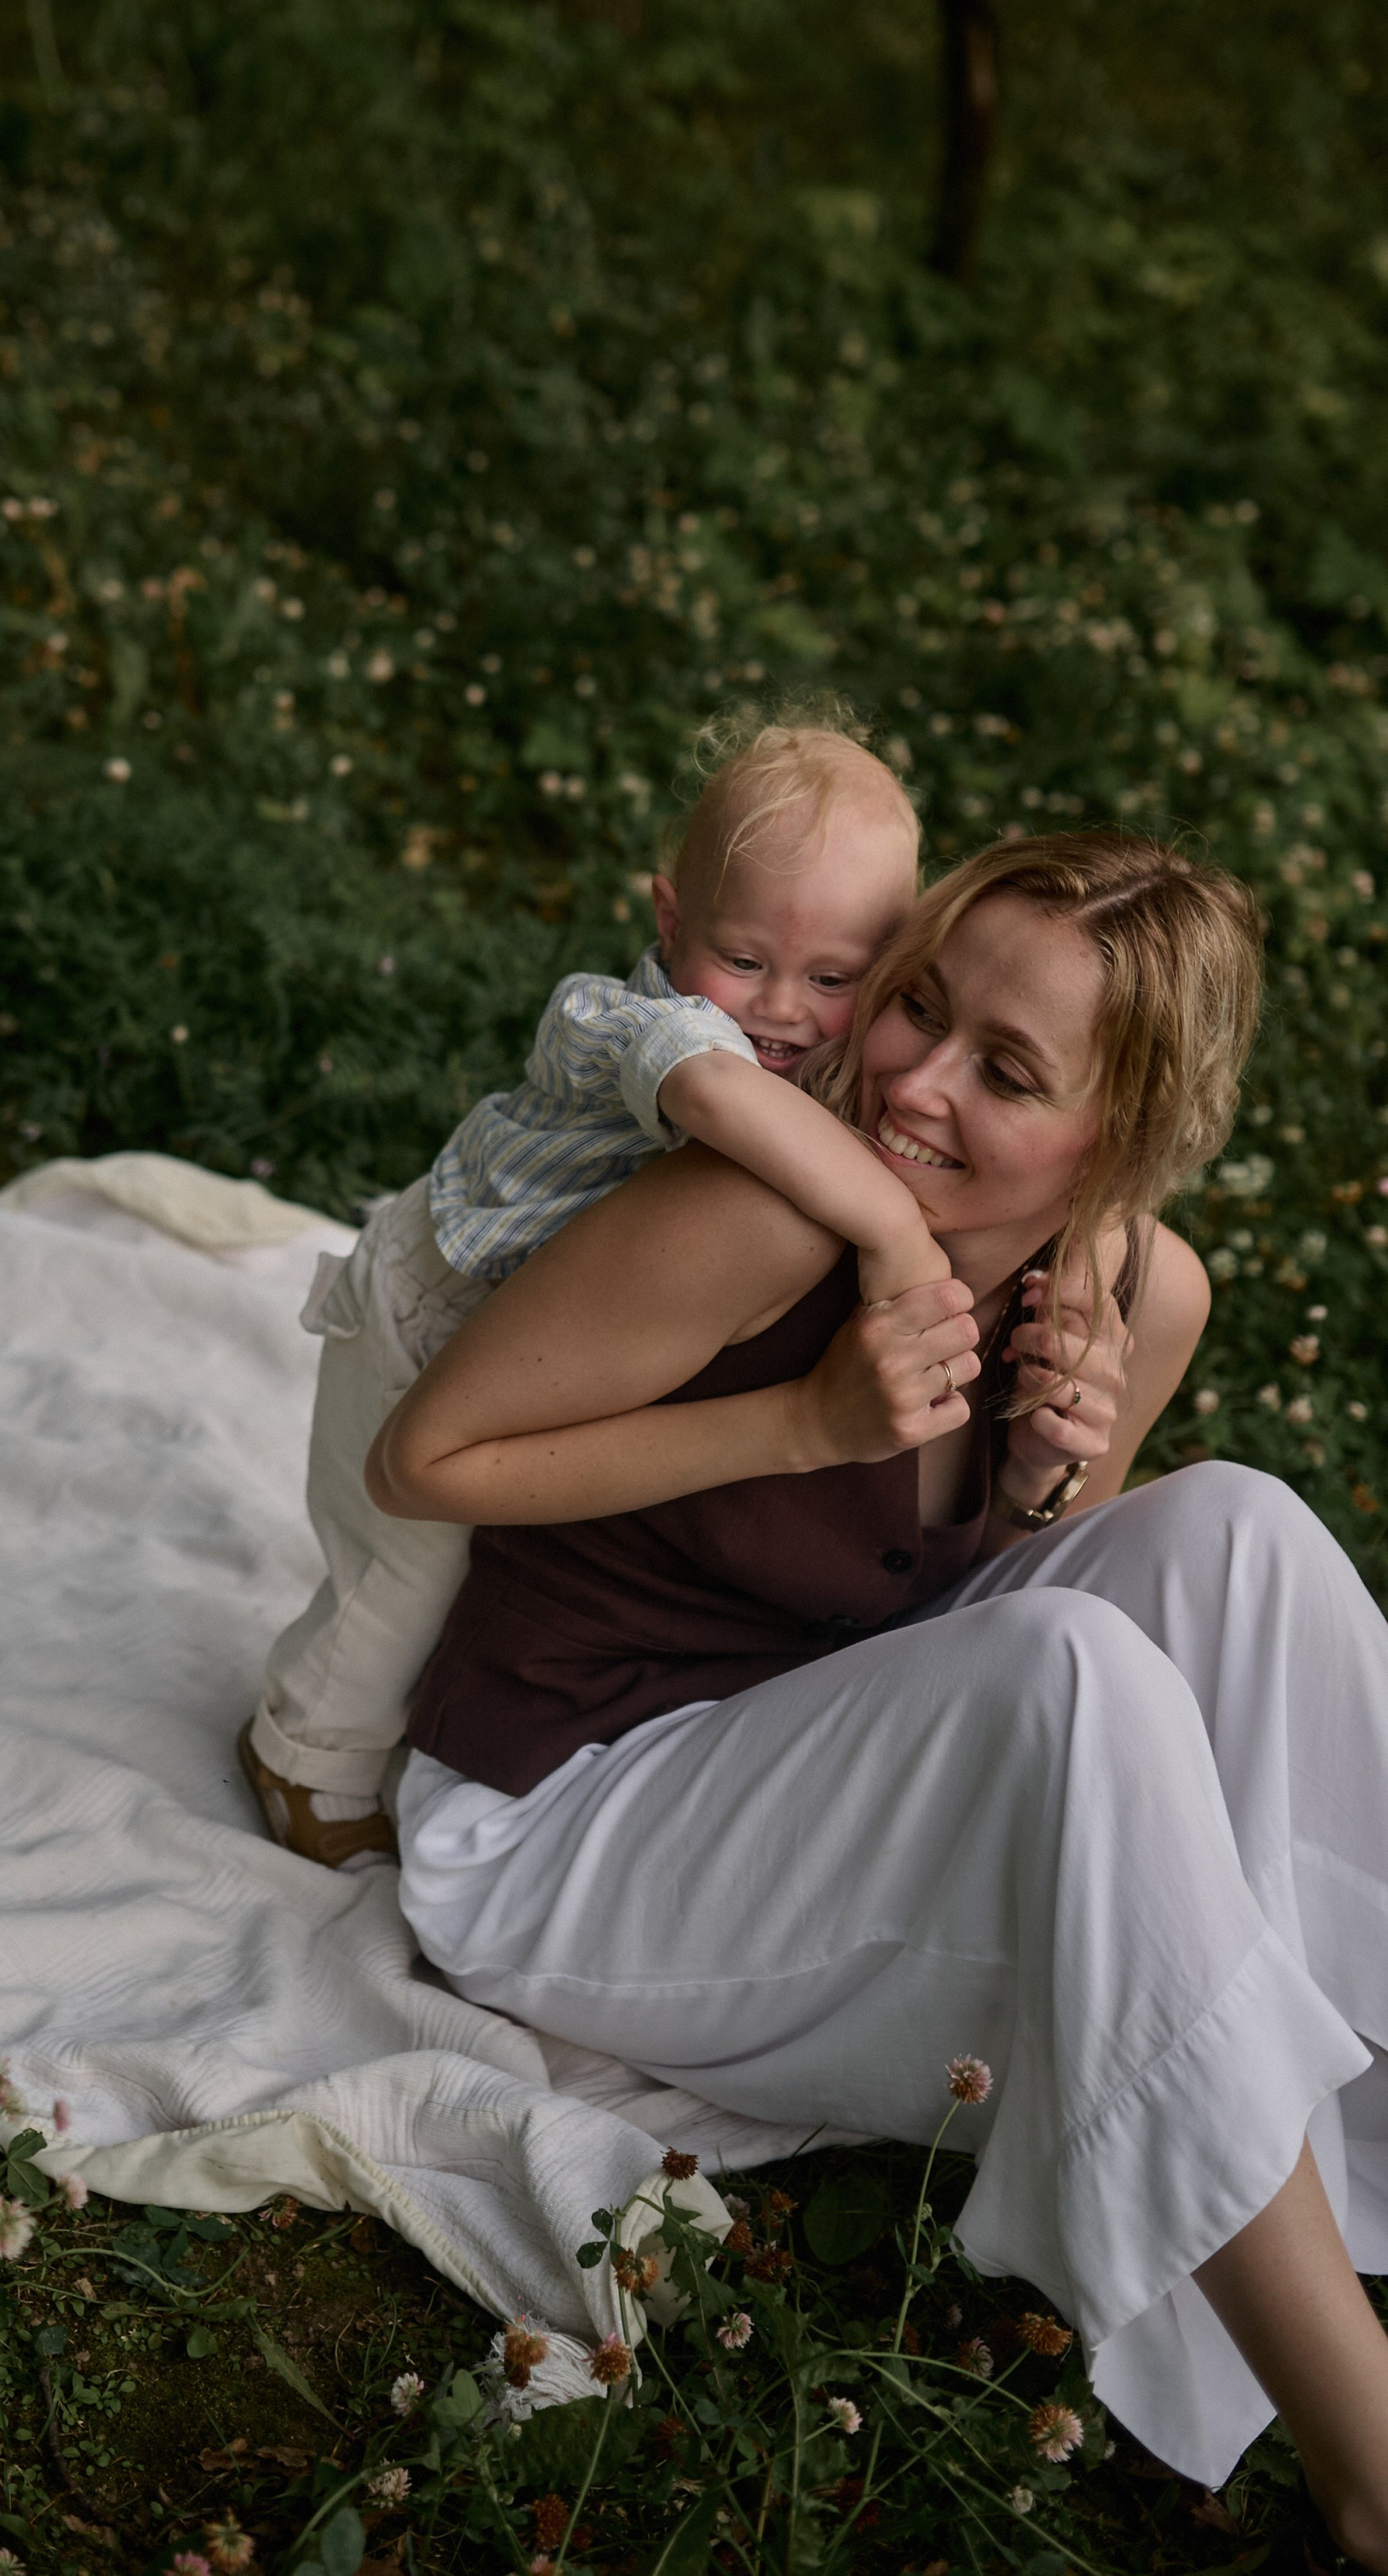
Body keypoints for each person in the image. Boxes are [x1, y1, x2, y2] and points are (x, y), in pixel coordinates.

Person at [366, 827, 1388, 2553]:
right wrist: (802, 1422)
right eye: (919, 1005)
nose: (913, 1079)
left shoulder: (1133, 1288)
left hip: (804, 1739)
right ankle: (1368, 2457)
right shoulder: (761, 1216)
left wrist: (1042, 1483)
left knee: (1241, 1530)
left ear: (1117, 1139)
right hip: (560, 1814)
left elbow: (959, 1591)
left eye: (1009, 1072)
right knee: (1071, 1671)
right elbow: (423, 1459)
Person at [242, 712, 951, 1868]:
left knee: (483, 1555)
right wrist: (891, 1225)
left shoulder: (821, 1053)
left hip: (544, 1347)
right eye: (743, 959)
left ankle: (393, 1722)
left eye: (834, 977)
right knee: (406, 1567)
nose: (781, 1008)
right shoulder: (636, 1025)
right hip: (429, 1313)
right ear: (671, 921)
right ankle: (303, 1750)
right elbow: (717, 1096)